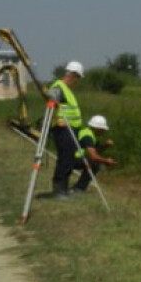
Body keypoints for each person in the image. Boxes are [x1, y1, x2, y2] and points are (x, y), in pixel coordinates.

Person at [48, 61, 84, 198]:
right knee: (64, 159)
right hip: (63, 129)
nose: (77, 81)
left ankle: (64, 189)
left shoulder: (67, 89)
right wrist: (56, 120)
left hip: (71, 129)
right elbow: (50, 106)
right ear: (73, 75)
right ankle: (59, 190)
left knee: (69, 159)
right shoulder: (58, 87)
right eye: (78, 78)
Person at [72, 115, 116, 192]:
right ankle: (79, 188)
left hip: (76, 158)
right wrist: (106, 161)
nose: (104, 132)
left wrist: (105, 146)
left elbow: (95, 151)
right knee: (94, 163)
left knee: (94, 163)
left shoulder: (89, 134)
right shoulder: (87, 136)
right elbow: (93, 156)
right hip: (72, 158)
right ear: (97, 129)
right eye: (102, 129)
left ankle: (79, 187)